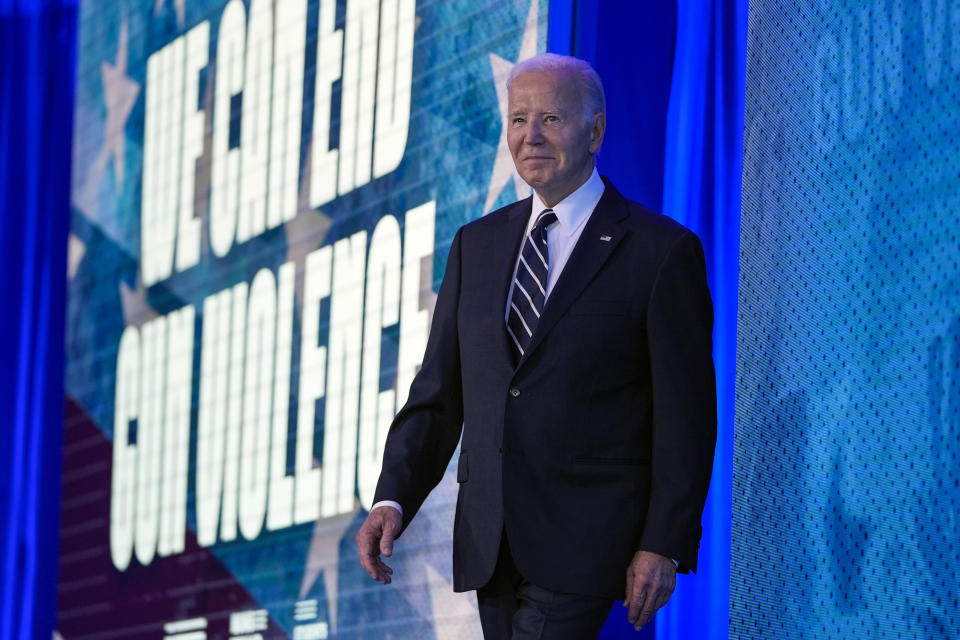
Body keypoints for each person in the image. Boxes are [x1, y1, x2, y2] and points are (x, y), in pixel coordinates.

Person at [356, 53, 716, 639]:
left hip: (589, 541)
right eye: (519, 119)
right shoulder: (477, 245)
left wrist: (664, 542)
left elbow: (687, 416)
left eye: (551, 118)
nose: (531, 137)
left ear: (595, 130)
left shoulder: (660, 251)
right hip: (490, 541)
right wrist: (392, 499)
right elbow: (439, 395)